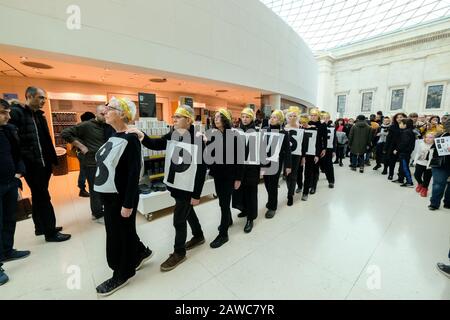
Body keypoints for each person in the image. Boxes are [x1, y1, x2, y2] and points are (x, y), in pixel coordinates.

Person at [128, 105, 207, 270]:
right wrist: (143, 136)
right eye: (174, 116)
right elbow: (157, 144)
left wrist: (196, 194)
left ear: (189, 120)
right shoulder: (173, 134)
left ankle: (179, 252)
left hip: (188, 187)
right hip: (176, 185)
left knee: (179, 220)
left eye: (178, 117)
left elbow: (200, 169)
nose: (174, 119)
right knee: (187, 212)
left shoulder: (198, 139)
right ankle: (198, 235)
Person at [94, 97, 152, 296]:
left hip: (121, 198)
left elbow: (133, 174)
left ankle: (122, 272)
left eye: (110, 109)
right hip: (109, 195)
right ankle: (141, 252)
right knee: (124, 231)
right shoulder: (112, 133)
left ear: (122, 114)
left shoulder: (131, 139)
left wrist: (128, 203)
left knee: (118, 235)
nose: (105, 111)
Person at [9, 87, 70, 242]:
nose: (43, 101)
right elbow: (13, 140)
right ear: (29, 96)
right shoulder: (17, 113)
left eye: (45, 98)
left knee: (38, 196)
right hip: (32, 165)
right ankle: (50, 232)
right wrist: (23, 160)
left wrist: (51, 160)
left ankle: (40, 227)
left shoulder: (39, 115)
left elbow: (45, 140)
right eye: (41, 97)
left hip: (44, 164)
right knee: (43, 197)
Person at [0, 99, 30, 286]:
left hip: (9, 182)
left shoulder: (7, 131)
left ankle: (7, 250)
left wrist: (19, 172)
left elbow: (17, 153)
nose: (8, 116)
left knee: (9, 218)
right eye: (4, 112)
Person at [62, 106, 108, 222]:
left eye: (106, 114)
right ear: (96, 114)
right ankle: (97, 213)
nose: (105, 116)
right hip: (91, 163)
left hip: (103, 162)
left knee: (102, 188)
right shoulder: (86, 125)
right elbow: (65, 133)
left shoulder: (106, 126)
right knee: (94, 189)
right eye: (102, 114)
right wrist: (81, 146)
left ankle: (101, 209)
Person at [206, 108, 243, 248]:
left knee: (224, 203)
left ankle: (223, 234)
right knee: (222, 201)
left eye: (219, 117)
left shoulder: (234, 136)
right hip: (218, 175)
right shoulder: (214, 135)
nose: (216, 119)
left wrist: (238, 178)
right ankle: (228, 221)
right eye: (214, 117)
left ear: (225, 120)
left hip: (229, 176)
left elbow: (240, 158)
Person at [232, 108, 260, 233]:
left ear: (252, 118)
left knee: (251, 193)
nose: (244, 119)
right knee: (241, 191)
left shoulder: (256, 132)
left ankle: (251, 218)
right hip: (239, 167)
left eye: (247, 117)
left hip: (251, 168)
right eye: (243, 116)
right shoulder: (238, 131)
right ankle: (244, 210)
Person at [262, 110, 292, 218]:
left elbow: (288, 150)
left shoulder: (284, 133)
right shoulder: (265, 130)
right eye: (271, 117)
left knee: (273, 184)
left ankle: (272, 207)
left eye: (275, 117)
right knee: (266, 182)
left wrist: (288, 166)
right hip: (265, 161)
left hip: (277, 162)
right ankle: (271, 199)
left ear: (280, 120)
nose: (272, 119)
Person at [301, 109, 326, 200]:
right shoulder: (306, 124)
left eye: (315, 115)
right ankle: (307, 184)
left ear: (318, 116)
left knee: (314, 169)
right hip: (305, 150)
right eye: (311, 115)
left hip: (316, 149)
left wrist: (324, 149)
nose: (313, 116)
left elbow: (323, 138)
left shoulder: (322, 125)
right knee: (306, 171)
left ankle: (313, 186)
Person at [428, 118, 450, 211]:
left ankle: (448, 202)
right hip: (441, 164)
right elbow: (434, 149)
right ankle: (434, 203)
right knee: (438, 184)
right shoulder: (441, 136)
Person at [284, 106, 302, 206]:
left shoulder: (300, 127)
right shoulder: (284, 127)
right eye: (290, 116)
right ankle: (290, 190)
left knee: (293, 175)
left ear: (297, 117)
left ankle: (290, 195)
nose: (292, 117)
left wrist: (303, 157)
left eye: (294, 116)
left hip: (297, 154)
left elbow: (302, 143)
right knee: (287, 174)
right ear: (287, 117)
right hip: (287, 154)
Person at [77, 111, 96, 198]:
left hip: (82, 153)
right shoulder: (85, 128)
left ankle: (82, 188)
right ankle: (82, 189)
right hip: (84, 154)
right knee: (84, 171)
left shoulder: (80, 127)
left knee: (83, 171)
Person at [384, 113, 407, 181]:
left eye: (401, 117)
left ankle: (401, 176)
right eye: (397, 117)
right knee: (392, 161)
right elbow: (388, 138)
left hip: (403, 147)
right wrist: (386, 147)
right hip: (393, 147)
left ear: (404, 118)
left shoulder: (407, 126)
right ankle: (391, 174)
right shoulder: (392, 126)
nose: (399, 118)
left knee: (402, 163)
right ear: (395, 119)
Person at [395, 119, 416, 187]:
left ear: (405, 125)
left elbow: (404, 143)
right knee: (401, 166)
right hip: (406, 152)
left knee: (405, 167)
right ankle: (400, 179)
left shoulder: (406, 132)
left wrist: (397, 149)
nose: (399, 124)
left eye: (401, 123)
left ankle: (409, 182)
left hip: (405, 152)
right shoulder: (409, 131)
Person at [319, 111, 336, 188]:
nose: (325, 119)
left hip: (329, 148)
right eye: (323, 118)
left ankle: (331, 181)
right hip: (319, 148)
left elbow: (334, 139)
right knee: (321, 164)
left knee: (329, 165)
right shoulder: (319, 126)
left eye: (327, 118)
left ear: (329, 118)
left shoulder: (332, 127)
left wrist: (334, 150)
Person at [414, 133, 434, 197]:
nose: (428, 139)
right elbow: (418, 153)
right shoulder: (421, 144)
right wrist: (415, 161)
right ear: (424, 138)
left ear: (434, 139)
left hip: (429, 165)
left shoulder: (434, 146)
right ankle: (420, 183)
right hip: (420, 162)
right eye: (427, 137)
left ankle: (425, 189)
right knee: (416, 175)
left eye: (431, 137)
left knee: (427, 178)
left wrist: (429, 165)